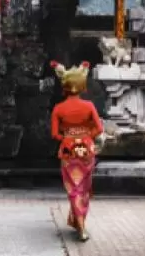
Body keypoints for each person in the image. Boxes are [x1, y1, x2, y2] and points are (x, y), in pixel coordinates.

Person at [50, 60, 103, 242]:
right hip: (86, 150)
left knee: (74, 188)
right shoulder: (88, 106)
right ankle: (80, 223)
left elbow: (55, 134)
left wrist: (68, 136)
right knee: (84, 188)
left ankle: (79, 223)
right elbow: (99, 129)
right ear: (82, 86)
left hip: (68, 150)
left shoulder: (58, 108)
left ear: (64, 86)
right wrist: (86, 135)